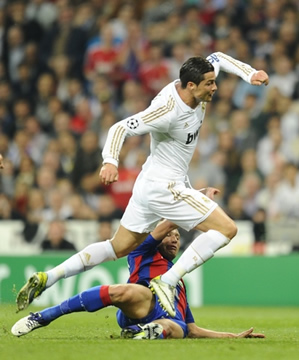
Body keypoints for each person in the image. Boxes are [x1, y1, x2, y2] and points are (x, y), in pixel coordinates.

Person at [16, 52, 269, 317]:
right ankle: (168, 282)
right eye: (209, 84)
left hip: (151, 185)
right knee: (227, 229)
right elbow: (119, 127)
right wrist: (110, 161)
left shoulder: (198, 79)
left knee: (118, 247)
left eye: (213, 81)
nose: (214, 87)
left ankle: (49, 277)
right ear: (191, 85)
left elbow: (217, 57)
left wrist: (250, 73)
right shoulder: (167, 111)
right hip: (165, 187)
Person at [12, 225, 265, 340]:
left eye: (178, 237)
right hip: (139, 305)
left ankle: (141, 334)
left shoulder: (179, 282)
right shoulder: (142, 251)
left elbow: (194, 329)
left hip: (164, 322)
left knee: (179, 328)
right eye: (170, 235)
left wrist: (232, 336)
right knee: (135, 292)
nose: (175, 240)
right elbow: (163, 224)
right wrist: (193, 204)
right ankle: (43, 317)